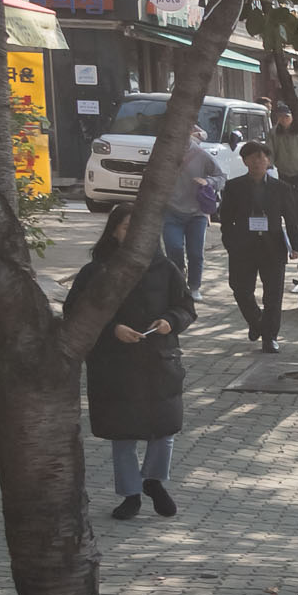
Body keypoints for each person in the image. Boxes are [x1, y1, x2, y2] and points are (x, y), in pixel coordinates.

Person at [70, 207, 196, 520]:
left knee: (163, 428)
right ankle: (130, 494)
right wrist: (113, 328)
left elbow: (186, 307)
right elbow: (76, 310)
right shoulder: (96, 270)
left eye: (140, 228)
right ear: (114, 230)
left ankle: (153, 480)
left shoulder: (166, 268)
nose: (134, 234)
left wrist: (170, 321)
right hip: (115, 363)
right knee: (123, 434)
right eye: (127, 227)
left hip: (159, 359)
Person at [217, 140, 294, 352]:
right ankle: (256, 321)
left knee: (273, 294)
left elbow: (292, 217)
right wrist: (230, 242)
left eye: (261, 157)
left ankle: (270, 337)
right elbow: (226, 219)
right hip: (243, 247)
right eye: (252, 157)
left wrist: (294, 245)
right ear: (245, 161)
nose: (257, 161)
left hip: (273, 247)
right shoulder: (234, 186)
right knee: (241, 290)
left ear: (268, 161)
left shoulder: (281, 188)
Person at [162, 132, 219, 295]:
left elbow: (221, 176)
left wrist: (208, 182)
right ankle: (178, 282)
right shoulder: (164, 153)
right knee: (174, 248)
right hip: (171, 211)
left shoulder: (200, 155)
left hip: (197, 214)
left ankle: (194, 287)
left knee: (195, 253)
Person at [268, 99, 298, 252]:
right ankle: (291, 227)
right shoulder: (274, 132)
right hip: (284, 170)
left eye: (286, 117)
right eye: (280, 117)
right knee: (286, 199)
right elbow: (270, 150)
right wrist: (269, 166)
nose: (283, 119)